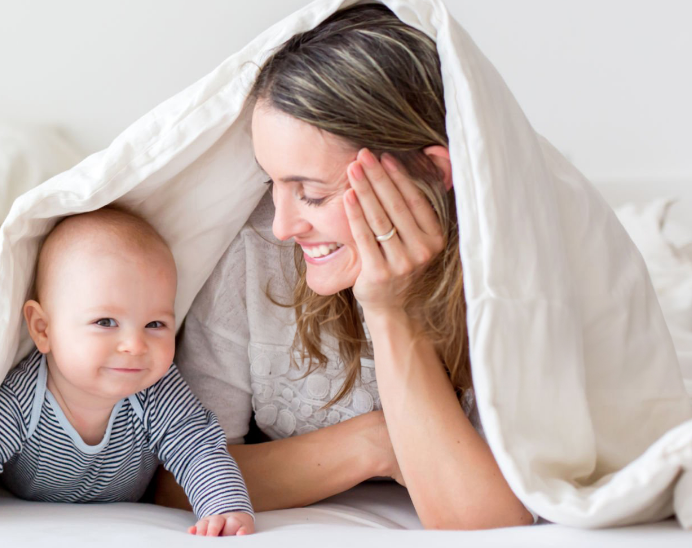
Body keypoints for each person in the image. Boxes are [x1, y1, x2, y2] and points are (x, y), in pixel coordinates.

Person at [155, 4, 534, 529]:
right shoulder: (254, 250)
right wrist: (374, 443)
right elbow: (178, 480)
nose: (284, 226)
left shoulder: (509, 278)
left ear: (431, 171)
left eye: (311, 194)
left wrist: (391, 310)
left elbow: (487, 526)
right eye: (273, 185)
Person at [0, 208, 254, 537]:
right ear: (43, 329)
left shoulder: (156, 389)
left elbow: (197, 447)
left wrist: (225, 508)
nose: (135, 345)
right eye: (105, 322)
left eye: (155, 325)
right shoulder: (23, 398)